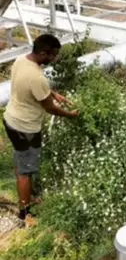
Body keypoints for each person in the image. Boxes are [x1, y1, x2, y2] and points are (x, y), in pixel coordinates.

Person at [2, 34, 78, 223]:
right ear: (43, 52)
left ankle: (27, 191)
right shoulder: (37, 77)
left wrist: (53, 93)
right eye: (52, 55)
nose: (53, 59)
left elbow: (33, 86)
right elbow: (50, 108)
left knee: (22, 160)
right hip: (25, 127)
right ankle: (25, 212)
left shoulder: (22, 60)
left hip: (11, 119)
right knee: (25, 171)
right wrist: (71, 115)